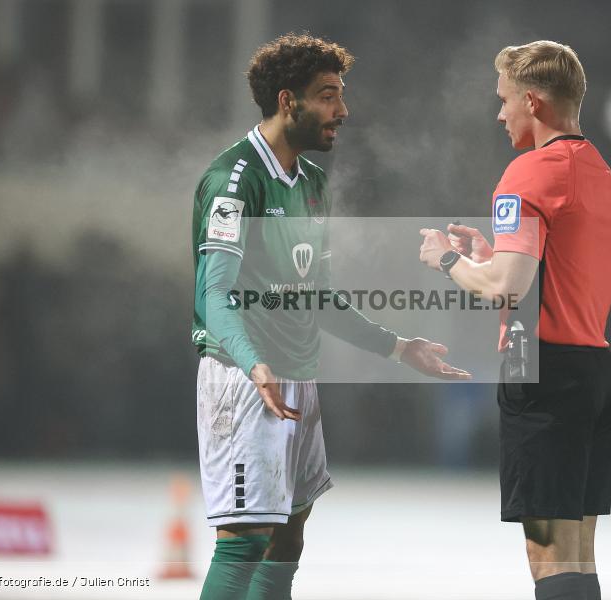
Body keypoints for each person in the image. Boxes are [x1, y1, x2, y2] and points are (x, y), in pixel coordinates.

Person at [192, 33, 470, 600]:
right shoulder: (234, 182)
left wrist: (397, 347)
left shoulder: (313, 184)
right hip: (245, 380)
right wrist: (253, 364)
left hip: (294, 376)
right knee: (245, 539)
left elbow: (313, 294)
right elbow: (215, 293)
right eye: (328, 96)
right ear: (288, 101)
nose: (342, 110)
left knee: (290, 531)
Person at [419, 41, 611, 600]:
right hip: (596, 374)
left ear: (532, 101)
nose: (500, 112)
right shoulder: (603, 176)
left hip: (544, 375)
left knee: (548, 554)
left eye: (505, 99)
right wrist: (492, 254)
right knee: (578, 550)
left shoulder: (527, 173)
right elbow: (548, 273)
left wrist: (447, 258)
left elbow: (505, 286)